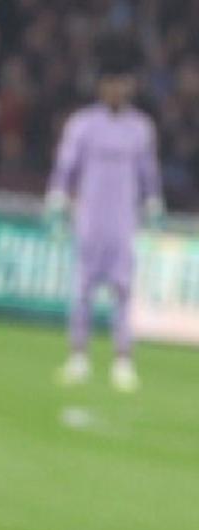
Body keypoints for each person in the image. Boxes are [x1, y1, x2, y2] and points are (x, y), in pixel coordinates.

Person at [48, 37, 162, 393]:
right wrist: (57, 195)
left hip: (123, 221)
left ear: (129, 86)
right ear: (100, 86)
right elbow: (66, 165)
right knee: (81, 290)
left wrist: (153, 199)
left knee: (123, 290)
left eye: (121, 83)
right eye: (110, 82)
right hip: (90, 218)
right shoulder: (82, 124)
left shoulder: (140, 127)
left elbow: (147, 170)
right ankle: (78, 358)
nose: (116, 89)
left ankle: (123, 361)